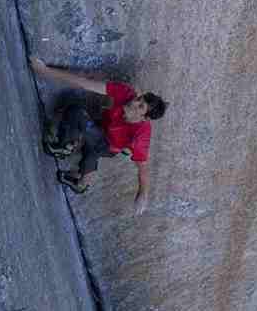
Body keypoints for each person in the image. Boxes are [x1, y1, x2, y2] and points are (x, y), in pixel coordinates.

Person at [27, 55, 165, 213]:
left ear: (144, 118)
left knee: (80, 117)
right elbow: (85, 84)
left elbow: (143, 168)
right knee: (90, 148)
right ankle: (81, 184)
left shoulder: (141, 135)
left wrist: (143, 194)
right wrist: (46, 70)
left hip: (108, 145)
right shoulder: (125, 93)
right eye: (139, 99)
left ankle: (63, 148)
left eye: (140, 106)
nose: (134, 102)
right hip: (101, 127)